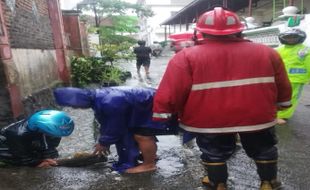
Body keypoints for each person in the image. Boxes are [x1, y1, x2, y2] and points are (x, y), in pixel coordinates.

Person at [152, 7, 292, 190]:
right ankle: (268, 182)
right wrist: (283, 104)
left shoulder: (186, 57)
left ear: (200, 31)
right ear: (239, 30)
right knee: (263, 148)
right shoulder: (267, 52)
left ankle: (218, 183)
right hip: (257, 115)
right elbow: (282, 83)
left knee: (214, 151)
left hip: (208, 119)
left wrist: (163, 113)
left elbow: (172, 90)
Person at [53, 86, 178, 173]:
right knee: (136, 132)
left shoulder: (109, 102)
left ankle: (149, 165)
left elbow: (115, 126)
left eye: (74, 105)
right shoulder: (98, 96)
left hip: (154, 106)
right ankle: (148, 157)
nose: (76, 108)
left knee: (143, 134)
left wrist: (103, 143)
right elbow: (106, 122)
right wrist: (103, 139)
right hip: (147, 104)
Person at [0, 110, 74, 167]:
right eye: (54, 135)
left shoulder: (46, 129)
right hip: (6, 149)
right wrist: (38, 162)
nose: (57, 137)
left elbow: (50, 148)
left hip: (27, 141)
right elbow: (23, 158)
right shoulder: (17, 134)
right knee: (14, 161)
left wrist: (51, 158)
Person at [276, 29, 310, 124]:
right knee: (277, 96)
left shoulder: (305, 50)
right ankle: (276, 113)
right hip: (280, 78)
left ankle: (283, 116)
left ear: (300, 38)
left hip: (296, 79)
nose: (291, 40)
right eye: (288, 37)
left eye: (294, 37)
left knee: (291, 98)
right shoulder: (279, 50)